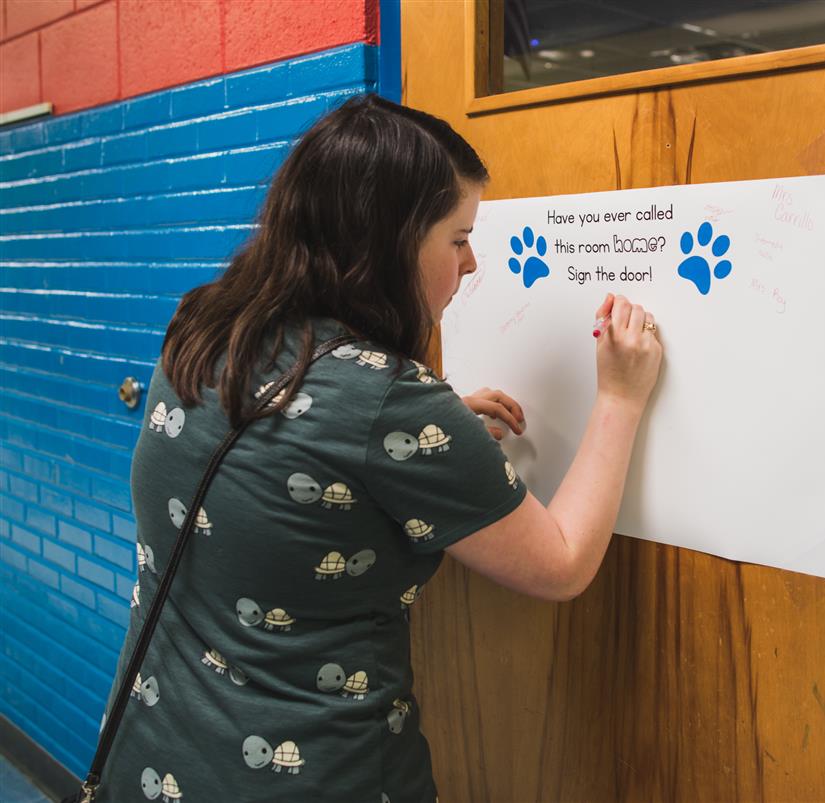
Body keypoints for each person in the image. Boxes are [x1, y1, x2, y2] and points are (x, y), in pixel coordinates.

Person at [93, 94, 662, 802]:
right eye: (456, 240)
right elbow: (562, 563)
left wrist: (417, 432)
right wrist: (620, 397)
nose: (474, 261)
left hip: (154, 755)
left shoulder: (206, 327)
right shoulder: (386, 399)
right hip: (313, 777)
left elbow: (278, 439)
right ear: (387, 241)